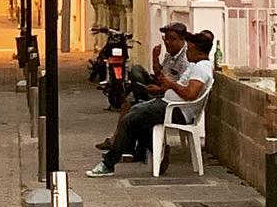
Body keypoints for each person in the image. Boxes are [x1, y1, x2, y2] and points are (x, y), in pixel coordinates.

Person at [86, 30, 215, 177]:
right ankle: (154, 150)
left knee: (129, 119)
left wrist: (171, 85)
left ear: (199, 52)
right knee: (135, 113)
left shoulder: (201, 68)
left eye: (190, 50)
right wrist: (163, 88)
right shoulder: (197, 65)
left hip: (176, 110)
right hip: (168, 103)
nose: (187, 53)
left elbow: (191, 94)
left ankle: (108, 164)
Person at [96, 22, 188, 152]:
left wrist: (161, 89)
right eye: (165, 38)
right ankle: (118, 141)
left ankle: (119, 146)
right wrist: (155, 58)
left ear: (182, 39)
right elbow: (161, 75)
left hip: (172, 100)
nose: (167, 42)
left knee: (133, 107)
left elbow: (181, 88)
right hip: (163, 91)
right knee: (135, 76)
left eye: (172, 39)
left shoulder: (186, 60)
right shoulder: (170, 55)